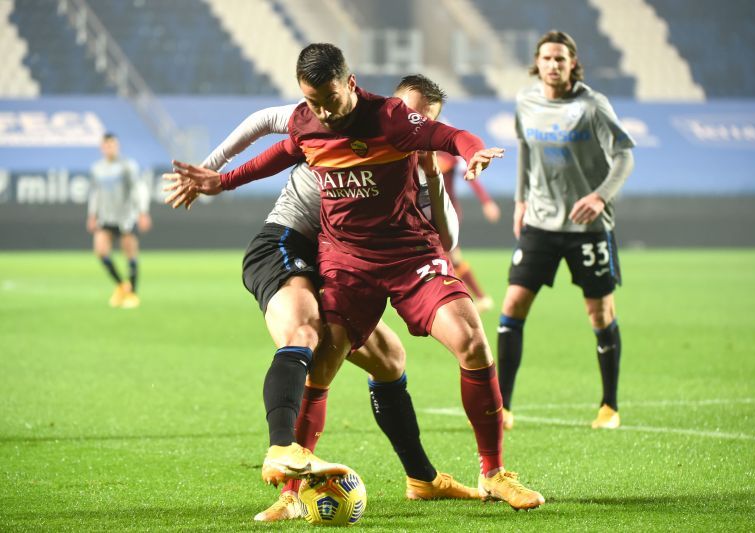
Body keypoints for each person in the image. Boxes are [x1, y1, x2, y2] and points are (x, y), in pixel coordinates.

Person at [169, 43, 544, 511]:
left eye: (328, 99)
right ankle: (292, 493)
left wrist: (471, 153)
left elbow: (453, 136)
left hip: (409, 254)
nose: (321, 112)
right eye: (311, 101)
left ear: (350, 83)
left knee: (471, 340)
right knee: (322, 360)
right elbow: (284, 151)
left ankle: (493, 473)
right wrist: (220, 180)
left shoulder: (392, 119)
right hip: (345, 260)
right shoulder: (308, 119)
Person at [496, 30, 635, 431]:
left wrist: (601, 197)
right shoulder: (526, 100)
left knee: (600, 311)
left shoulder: (593, 106)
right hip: (540, 221)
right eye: (547, 58)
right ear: (536, 63)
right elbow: (524, 149)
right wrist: (521, 201)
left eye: (561, 58)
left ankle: (609, 406)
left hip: (587, 226)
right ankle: (502, 406)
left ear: (573, 62)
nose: (553, 65)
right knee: (512, 305)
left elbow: (624, 155)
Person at [86, 132, 151, 308]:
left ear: (118, 146)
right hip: (105, 217)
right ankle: (122, 286)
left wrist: (142, 212)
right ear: (102, 148)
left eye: (113, 145)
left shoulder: (127, 166)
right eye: (106, 145)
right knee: (100, 251)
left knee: (130, 253)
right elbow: (95, 193)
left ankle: (133, 294)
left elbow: (138, 189)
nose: (110, 148)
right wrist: (92, 214)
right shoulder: (97, 169)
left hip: (125, 217)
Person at [435, 151, 501, 312]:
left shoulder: (446, 150)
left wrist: (486, 201)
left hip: (447, 212)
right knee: (450, 257)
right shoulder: (413, 147)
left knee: (449, 255)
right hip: (423, 212)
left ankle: (474, 298)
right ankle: (479, 298)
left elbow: (469, 173)